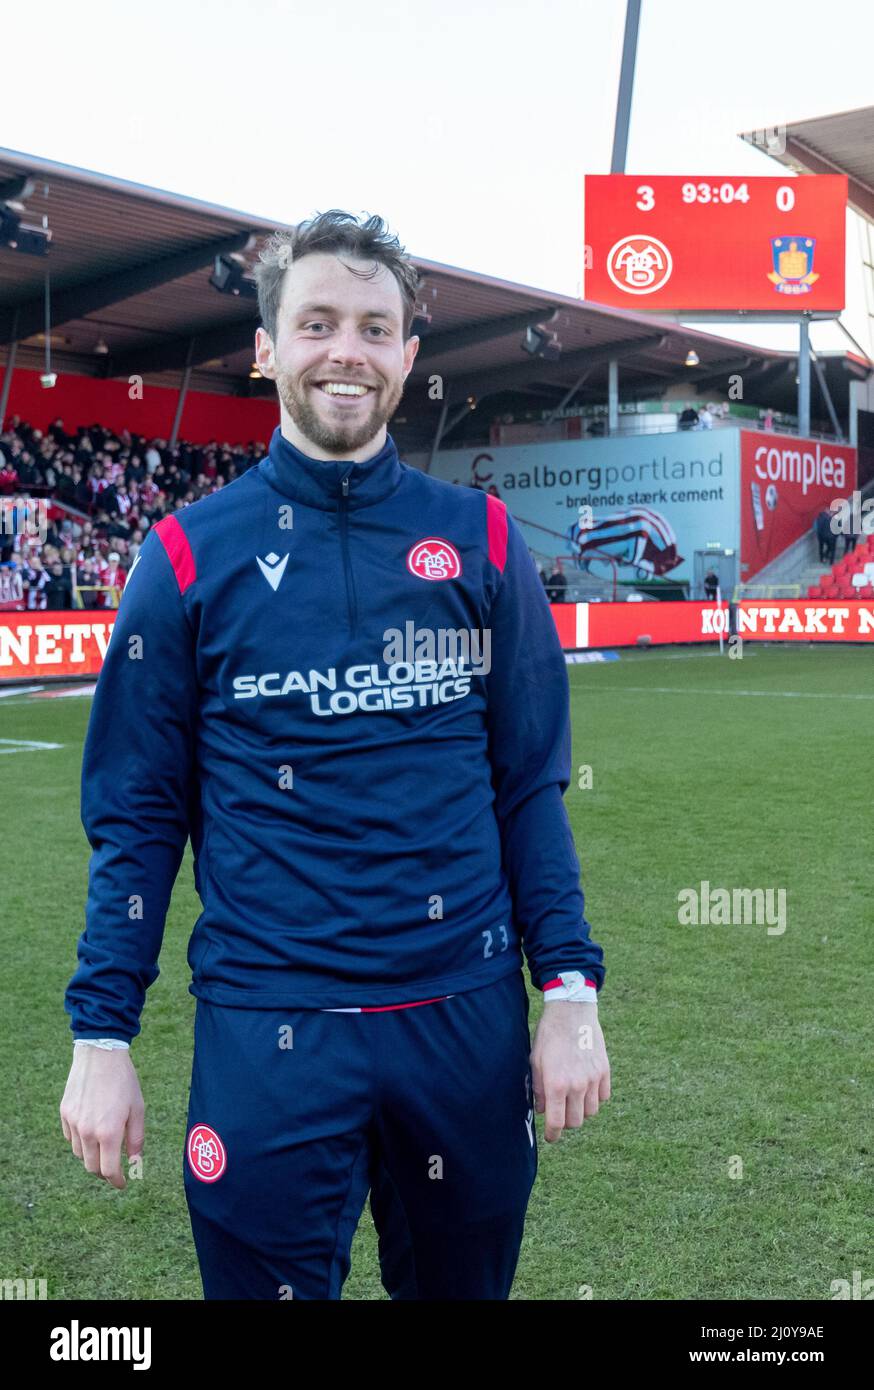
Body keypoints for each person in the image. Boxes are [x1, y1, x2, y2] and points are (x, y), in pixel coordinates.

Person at [61, 210, 609, 1303]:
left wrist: (570, 990)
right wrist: (100, 1031)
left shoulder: (488, 544)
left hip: (461, 1020)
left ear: (409, 354)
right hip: (270, 1029)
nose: (344, 350)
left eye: (373, 325)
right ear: (266, 348)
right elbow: (136, 814)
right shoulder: (181, 559)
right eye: (315, 323)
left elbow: (529, 791)